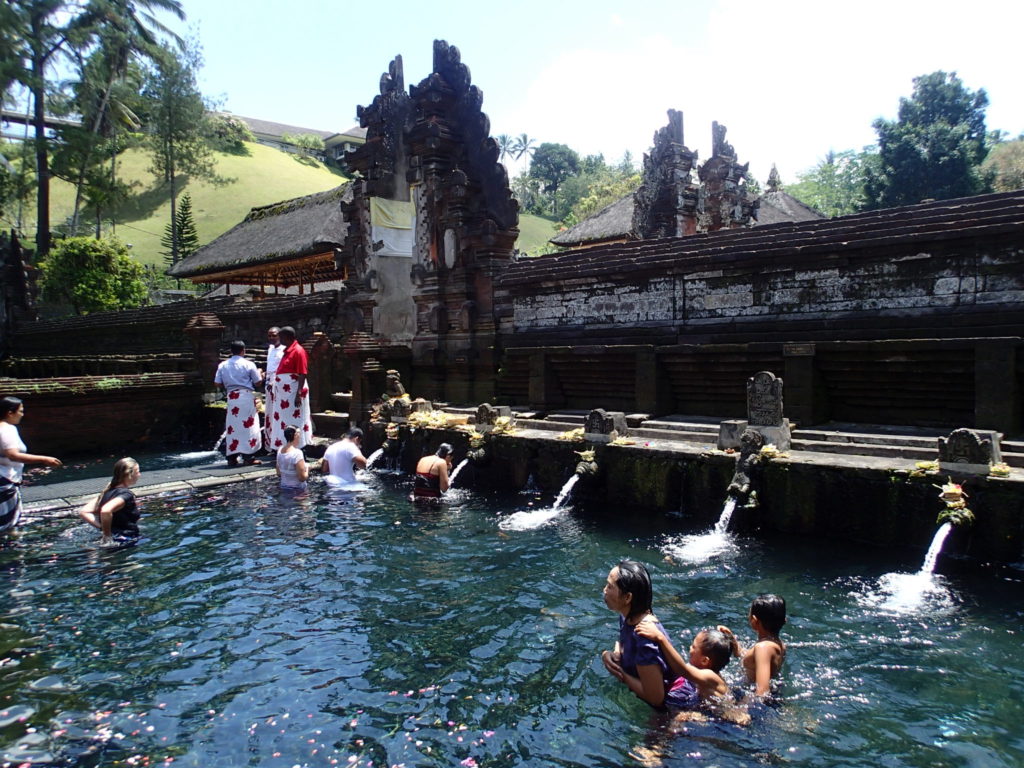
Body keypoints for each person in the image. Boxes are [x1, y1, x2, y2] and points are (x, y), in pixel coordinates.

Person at [600, 560, 696, 711]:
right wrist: (613, 654)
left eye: (610, 586)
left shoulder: (645, 637)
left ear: (627, 598)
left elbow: (655, 698)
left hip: (678, 704)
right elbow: (625, 642)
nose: (604, 590)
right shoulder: (627, 615)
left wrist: (619, 673)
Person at [0, 396, 62, 532]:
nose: (22, 414)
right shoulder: (7, 429)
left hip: (4, 480)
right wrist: (44, 459)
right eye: (20, 411)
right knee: (7, 523)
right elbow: (13, 455)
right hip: (6, 481)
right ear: (10, 412)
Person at [634, 623, 733, 702]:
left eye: (693, 647)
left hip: (722, 719)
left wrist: (660, 638)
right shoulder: (704, 673)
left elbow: (681, 669)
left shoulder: (710, 676)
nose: (690, 648)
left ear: (704, 661)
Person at [717, 594, 787, 697]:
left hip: (754, 703)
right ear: (784, 621)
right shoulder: (778, 645)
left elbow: (762, 692)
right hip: (774, 696)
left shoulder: (763, 648)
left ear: (754, 620)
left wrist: (741, 710)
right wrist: (733, 641)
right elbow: (752, 660)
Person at [214, 340, 264, 467]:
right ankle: (248, 457)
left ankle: (232, 457)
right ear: (243, 350)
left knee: (233, 427)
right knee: (249, 426)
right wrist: (261, 374)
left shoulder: (223, 365)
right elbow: (258, 382)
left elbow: (217, 383)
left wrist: (229, 383)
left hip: (232, 397)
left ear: (231, 351)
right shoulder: (249, 364)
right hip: (246, 396)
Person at [267, 327, 314, 451]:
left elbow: (302, 373)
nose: (279, 339)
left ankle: (299, 447)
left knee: (296, 419)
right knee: (283, 420)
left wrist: (298, 394)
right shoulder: (286, 351)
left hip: (293, 392)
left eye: (281, 337)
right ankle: (283, 445)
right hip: (283, 395)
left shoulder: (298, 351)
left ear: (287, 337)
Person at [78, 457, 142, 544]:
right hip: (125, 540)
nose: (139, 475)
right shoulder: (126, 495)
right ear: (130, 474)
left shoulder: (107, 491)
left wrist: (103, 528)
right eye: (138, 471)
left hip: (117, 538)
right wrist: (107, 536)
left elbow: (84, 511)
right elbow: (105, 510)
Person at [264, 327, 284, 447]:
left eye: (274, 335)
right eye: (269, 335)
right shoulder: (270, 349)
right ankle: (271, 441)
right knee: (270, 413)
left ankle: (280, 441)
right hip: (268, 383)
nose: (271, 338)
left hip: (278, 384)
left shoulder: (284, 350)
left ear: (280, 336)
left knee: (278, 412)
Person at [276, 425, 309, 491]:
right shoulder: (297, 453)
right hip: (298, 490)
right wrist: (308, 468)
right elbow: (302, 478)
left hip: (283, 487)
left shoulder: (279, 450)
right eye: (299, 433)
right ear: (295, 435)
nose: (300, 436)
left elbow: (279, 473)